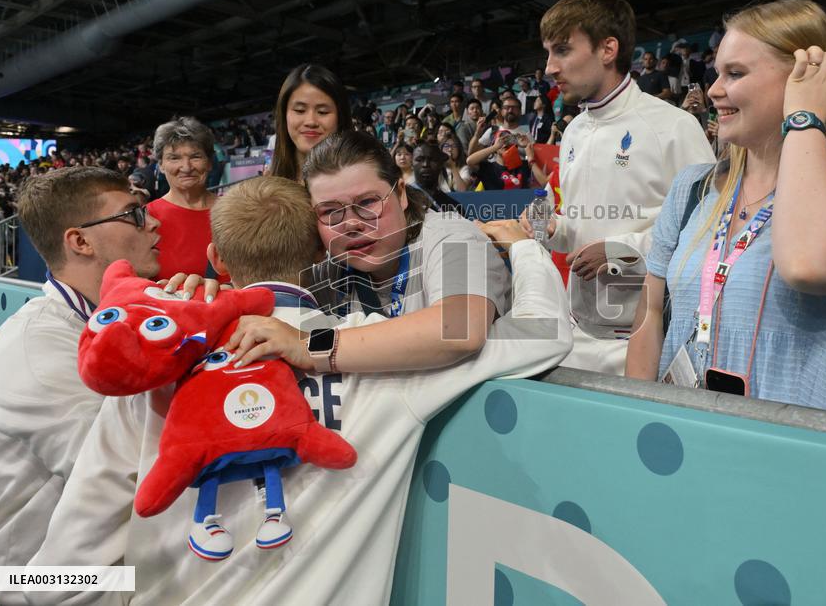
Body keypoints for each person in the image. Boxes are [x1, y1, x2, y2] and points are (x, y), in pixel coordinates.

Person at [28, 176, 572, 604]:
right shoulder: (386, 354)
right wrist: (524, 249)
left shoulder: (162, 366)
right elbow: (544, 334)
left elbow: (66, 568)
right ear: (320, 255)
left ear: (216, 259)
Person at [625, 0, 826, 419]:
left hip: (812, 455)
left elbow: (810, 265)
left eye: (735, 74)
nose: (714, 90)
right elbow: (650, 309)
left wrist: (804, 119)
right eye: (716, 73)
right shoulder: (693, 186)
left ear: (807, 78)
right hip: (691, 439)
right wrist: (637, 416)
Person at [0, 167, 162, 592]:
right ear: (80, 241)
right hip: (15, 585)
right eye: (132, 214)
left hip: (81, 580)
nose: (153, 222)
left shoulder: (112, 322)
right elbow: (123, 471)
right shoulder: (34, 348)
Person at [535, 0, 715, 375]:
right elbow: (578, 231)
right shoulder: (573, 132)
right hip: (577, 334)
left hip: (650, 340)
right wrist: (553, 229)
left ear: (607, 49)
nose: (550, 66)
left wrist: (624, 250)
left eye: (562, 50)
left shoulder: (673, 127)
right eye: (548, 52)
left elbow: (709, 232)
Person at [303, 131, 511, 366]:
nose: (351, 224)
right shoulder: (328, 268)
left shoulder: (453, 236)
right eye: (329, 211)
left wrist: (308, 348)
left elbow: (459, 329)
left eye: (368, 202)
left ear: (401, 194)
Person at [144, 117, 225, 281]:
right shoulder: (146, 218)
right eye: (174, 158)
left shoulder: (236, 210)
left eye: (195, 156)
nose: (186, 168)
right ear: (160, 165)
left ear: (209, 162)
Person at [268, 64, 353, 181]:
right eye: (300, 110)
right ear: (284, 115)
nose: (311, 122)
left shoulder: (362, 179)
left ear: (340, 117)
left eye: (323, 112)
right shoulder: (268, 185)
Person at [410, 143, 463, 213]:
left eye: (432, 160)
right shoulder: (405, 199)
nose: (425, 164)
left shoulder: (454, 206)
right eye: (419, 160)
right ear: (411, 164)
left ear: (441, 164)